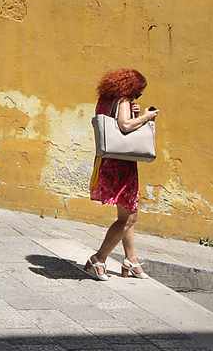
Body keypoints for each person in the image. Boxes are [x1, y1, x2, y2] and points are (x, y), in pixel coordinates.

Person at [85, 68, 159, 280]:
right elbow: (125, 126)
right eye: (138, 91)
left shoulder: (105, 100)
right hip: (122, 163)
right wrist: (145, 117)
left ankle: (131, 260)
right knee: (130, 217)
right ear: (130, 87)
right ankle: (98, 259)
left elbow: (115, 124)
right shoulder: (123, 99)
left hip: (107, 160)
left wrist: (134, 113)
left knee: (125, 213)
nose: (137, 96)